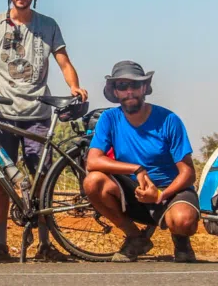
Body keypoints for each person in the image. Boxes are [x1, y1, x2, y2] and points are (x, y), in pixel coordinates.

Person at [0, 0, 88, 262]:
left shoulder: (48, 25)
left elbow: (63, 62)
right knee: (1, 180)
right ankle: (0, 244)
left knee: (42, 178)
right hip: (3, 116)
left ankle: (45, 245)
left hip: (37, 114)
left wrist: (75, 86)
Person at [84, 61, 199, 263]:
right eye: (122, 86)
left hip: (169, 190)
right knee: (92, 181)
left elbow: (188, 173)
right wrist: (137, 169)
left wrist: (161, 195)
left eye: (135, 85)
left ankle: (181, 241)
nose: (129, 91)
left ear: (144, 87)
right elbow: (93, 161)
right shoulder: (109, 118)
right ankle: (135, 237)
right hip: (133, 191)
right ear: (115, 91)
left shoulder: (169, 120)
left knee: (183, 221)